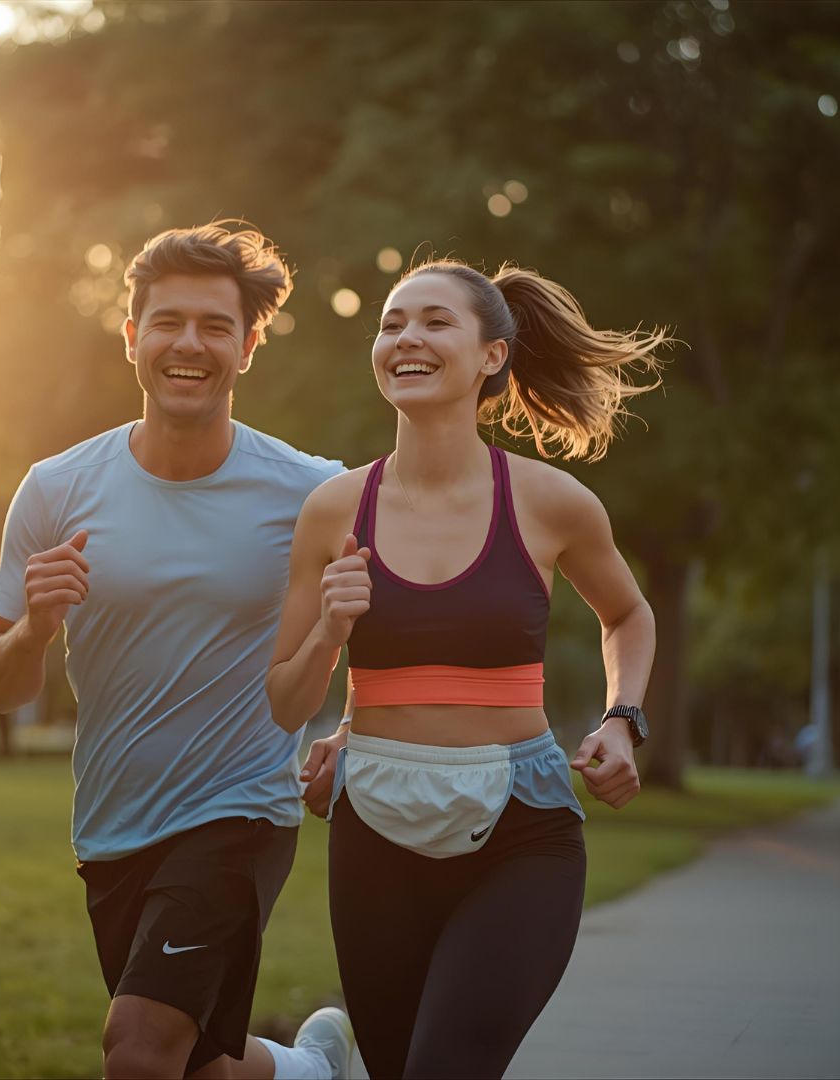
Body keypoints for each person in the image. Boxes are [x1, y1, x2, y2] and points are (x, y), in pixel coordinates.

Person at [0, 222, 356, 1080]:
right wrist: (34, 626)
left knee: (138, 1050)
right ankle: (312, 1072)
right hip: (111, 827)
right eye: (168, 322)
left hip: (241, 809)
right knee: (192, 1065)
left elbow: (384, 614)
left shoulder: (312, 491)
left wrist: (353, 726)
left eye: (216, 325)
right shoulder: (58, 488)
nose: (190, 344)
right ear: (132, 336)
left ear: (250, 346)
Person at [269, 258, 668, 1078]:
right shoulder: (335, 510)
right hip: (373, 825)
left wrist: (622, 721)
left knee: (445, 1065)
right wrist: (331, 632)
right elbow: (284, 701)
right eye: (391, 323)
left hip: (523, 830)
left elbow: (627, 613)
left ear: (493, 355)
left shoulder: (551, 501)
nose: (406, 337)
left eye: (434, 321)